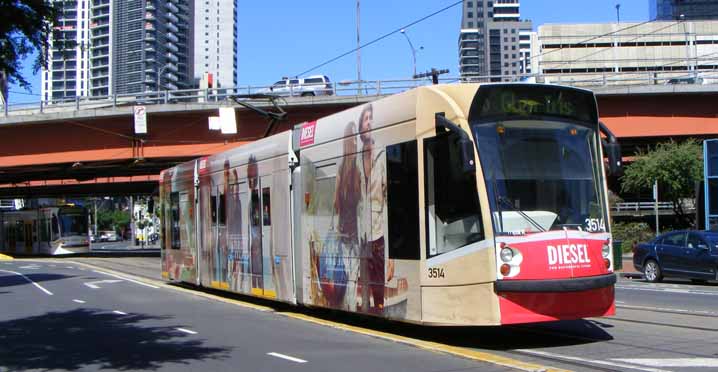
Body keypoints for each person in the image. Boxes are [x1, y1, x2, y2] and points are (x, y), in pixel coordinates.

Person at [357, 104, 392, 313]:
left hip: (378, 232)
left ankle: (378, 308)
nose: (369, 122)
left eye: (371, 118)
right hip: (361, 235)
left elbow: (388, 198)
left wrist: (393, 255)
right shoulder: (355, 159)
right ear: (361, 126)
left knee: (379, 291)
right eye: (365, 118)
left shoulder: (382, 155)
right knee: (364, 288)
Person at [333, 121, 361, 310]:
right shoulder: (342, 170)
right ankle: (350, 306)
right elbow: (336, 205)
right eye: (352, 138)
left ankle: (350, 306)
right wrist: (337, 230)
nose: (355, 142)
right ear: (346, 141)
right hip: (345, 234)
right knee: (351, 274)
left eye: (355, 138)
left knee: (354, 274)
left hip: (356, 233)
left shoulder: (356, 169)